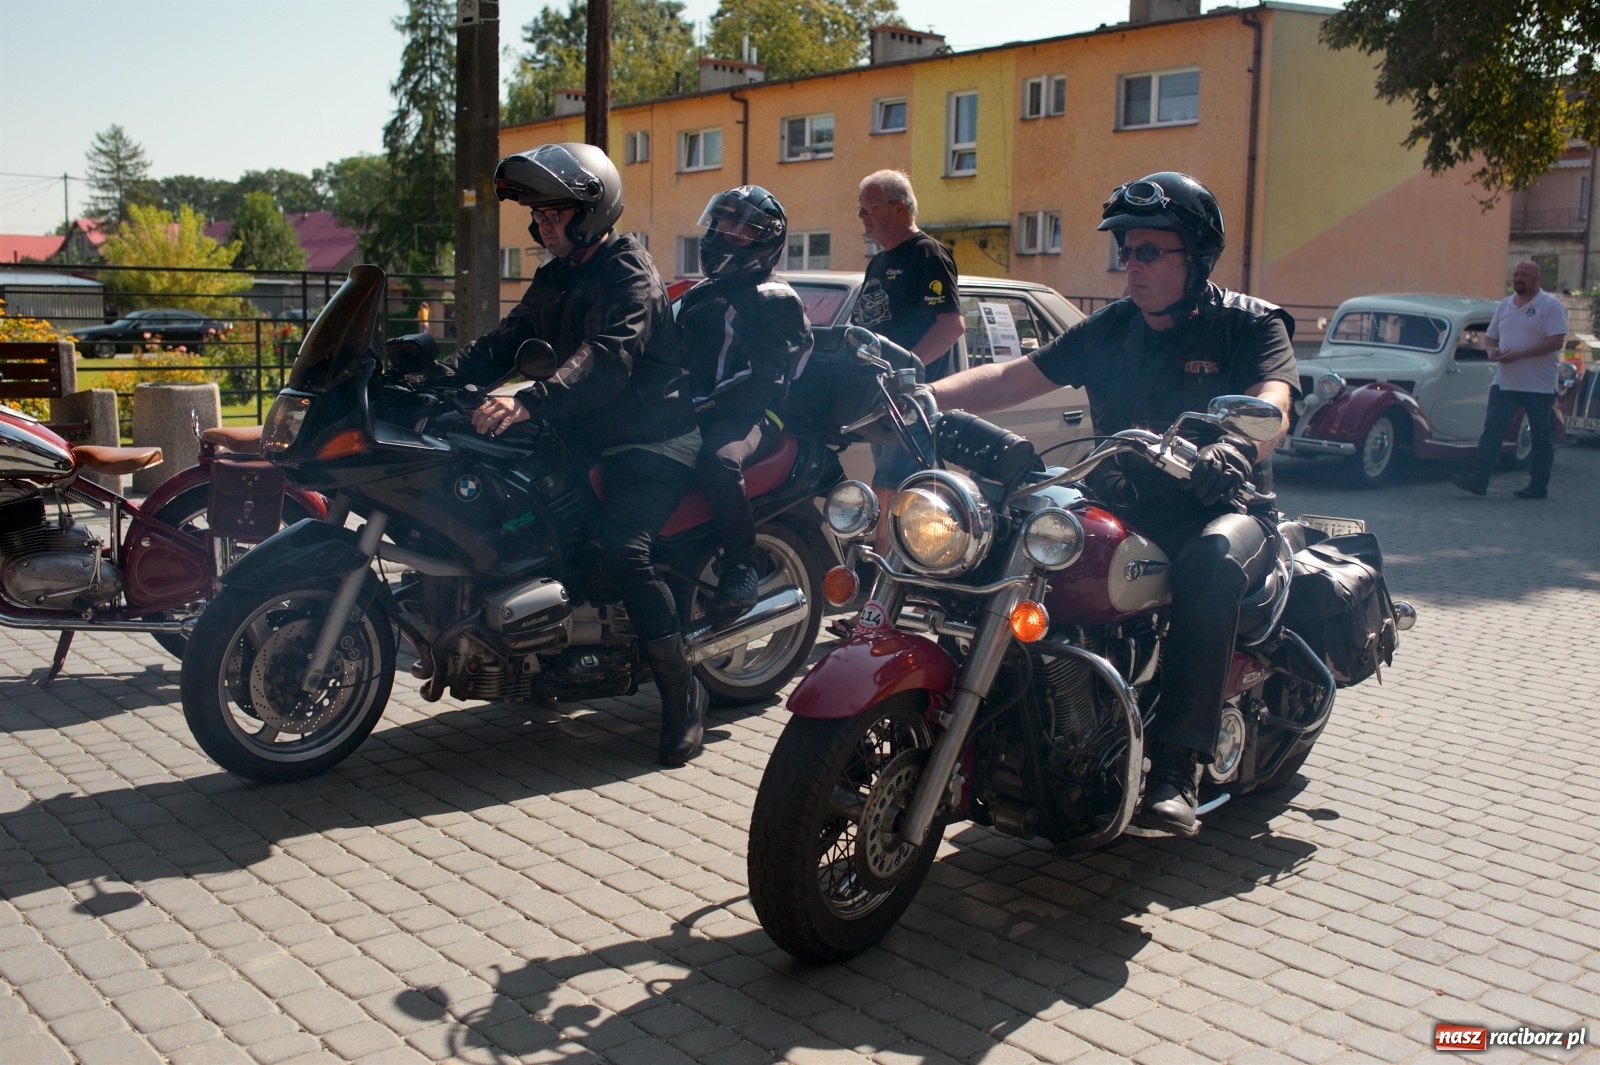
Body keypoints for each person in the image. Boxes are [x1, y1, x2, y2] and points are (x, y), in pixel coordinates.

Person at [929, 172, 1299, 836]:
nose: (1134, 265)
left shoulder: (1248, 323)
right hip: (1128, 499)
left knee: (1209, 564)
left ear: (1196, 255)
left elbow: (1276, 398)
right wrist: (926, 395)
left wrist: (1241, 446)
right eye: (1127, 251)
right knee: (1019, 530)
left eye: (1152, 251)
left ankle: (1176, 768)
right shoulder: (1114, 328)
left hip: (1226, 507)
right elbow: (1012, 376)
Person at [440, 142, 707, 767]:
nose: (543, 223)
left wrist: (533, 400)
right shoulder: (557, 273)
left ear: (593, 210)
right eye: (538, 213)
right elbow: (505, 342)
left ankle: (681, 694)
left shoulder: (627, 272)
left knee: (623, 547)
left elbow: (606, 357)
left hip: (651, 437)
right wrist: (430, 374)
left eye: (556, 211)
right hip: (584, 432)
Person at [679, 186, 813, 617]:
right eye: (721, 223)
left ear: (764, 242)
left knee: (719, 461)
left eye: (739, 229)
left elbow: (760, 379)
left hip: (756, 413)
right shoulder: (702, 292)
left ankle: (741, 568)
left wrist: (697, 408)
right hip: (693, 407)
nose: (723, 234)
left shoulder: (776, 299)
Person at [851, 169, 966, 551]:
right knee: (894, 496)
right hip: (882, 403)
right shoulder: (878, 263)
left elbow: (951, 326)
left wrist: (905, 372)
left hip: (913, 403)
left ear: (900, 207)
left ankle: (879, 596)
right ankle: (890, 589)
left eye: (870, 207)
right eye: (860, 208)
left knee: (889, 492)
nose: (863, 216)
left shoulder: (926, 254)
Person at [1452, 260, 1567, 499]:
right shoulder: (1505, 305)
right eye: (1515, 274)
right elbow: (1491, 337)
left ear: (1538, 279)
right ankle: (1478, 480)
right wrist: (1492, 351)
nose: (1518, 279)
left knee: (1540, 435)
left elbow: (1556, 341)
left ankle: (1538, 486)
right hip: (1505, 382)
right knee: (1493, 429)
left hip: (1538, 384)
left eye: (1524, 275)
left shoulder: (1550, 306)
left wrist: (1520, 355)